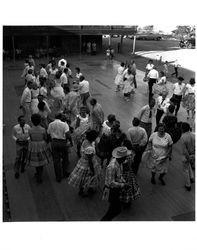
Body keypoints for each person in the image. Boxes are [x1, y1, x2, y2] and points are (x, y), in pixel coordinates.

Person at [101, 146, 131, 221]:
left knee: (113, 208)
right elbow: (111, 183)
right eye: (125, 157)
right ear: (122, 158)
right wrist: (123, 185)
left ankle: (106, 220)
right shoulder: (112, 166)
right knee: (116, 209)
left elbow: (119, 175)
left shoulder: (119, 163)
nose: (126, 158)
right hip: (111, 190)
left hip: (115, 189)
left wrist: (123, 181)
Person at [68, 130, 101, 196]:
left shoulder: (85, 141)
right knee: (88, 177)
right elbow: (90, 161)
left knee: (83, 178)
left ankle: (86, 190)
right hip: (87, 164)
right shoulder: (90, 148)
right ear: (93, 138)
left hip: (82, 161)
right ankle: (84, 191)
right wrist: (92, 170)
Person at [26, 114, 52, 184]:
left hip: (33, 146)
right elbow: (45, 138)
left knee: (36, 161)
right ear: (40, 121)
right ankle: (39, 175)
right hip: (42, 146)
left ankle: (38, 174)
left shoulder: (30, 130)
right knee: (41, 160)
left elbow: (30, 138)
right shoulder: (43, 130)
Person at [47, 113, 71, 182]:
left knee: (56, 160)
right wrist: (67, 140)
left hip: (54, 143)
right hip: (63, 143)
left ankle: (58, 177)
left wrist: (51, 141)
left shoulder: (51, 124)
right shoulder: (64, 124)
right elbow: (68, 135)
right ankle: (64, 172)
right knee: (65, 158)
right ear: (61, 117)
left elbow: (48, 134)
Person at [120, 140, 141, 206]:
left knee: (125, 187)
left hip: (125, 172)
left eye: (122, 145)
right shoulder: (130, 153)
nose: (121, 146)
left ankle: (126, 201)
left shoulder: (128, 154)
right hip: (126, 171)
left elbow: (127, 165)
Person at [180, 122, 195, 191]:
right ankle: (192, 177)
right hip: (194, 154)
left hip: (187, 156)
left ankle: (188, 184)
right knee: (188, 165)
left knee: (185, 170)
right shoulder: (193, 135)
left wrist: (188, 158)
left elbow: (184, 150)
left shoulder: (183, 137)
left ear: (182, 129)